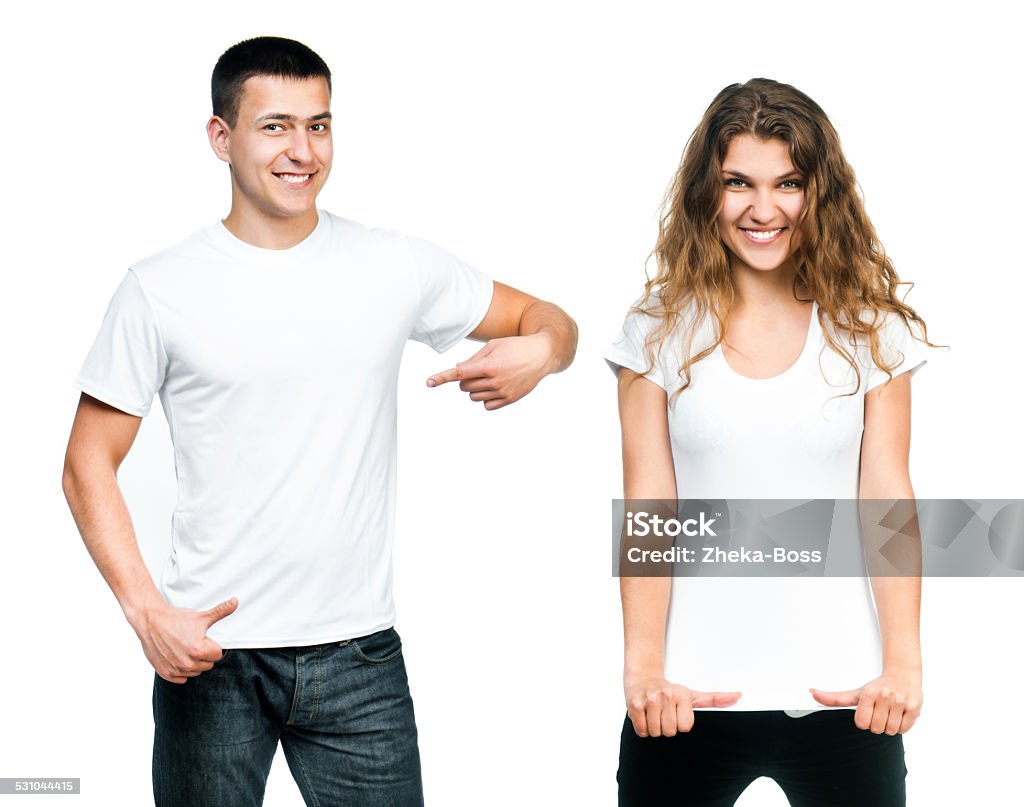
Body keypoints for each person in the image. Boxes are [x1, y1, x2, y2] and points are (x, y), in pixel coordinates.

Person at [62, 36, 576, 807]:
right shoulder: (159, 288)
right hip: (212, 658)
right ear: (221, 137)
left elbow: (550, 318)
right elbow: (85, 462)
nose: (302, 150)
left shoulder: (392, 264)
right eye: (275, 126)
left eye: (319, 124)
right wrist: (146, 612)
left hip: (358, 658)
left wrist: (541, 353)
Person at [605, 78, 936, 806]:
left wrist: (903, 665)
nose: (763, 209)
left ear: (819, 192)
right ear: (707, 192)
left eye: (787, 183)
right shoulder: (656, 332)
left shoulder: (871, 330)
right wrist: (643, 667)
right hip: (684, 700)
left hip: (846, 696)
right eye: (738, 183)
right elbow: (650, 505)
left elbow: (886, 496)